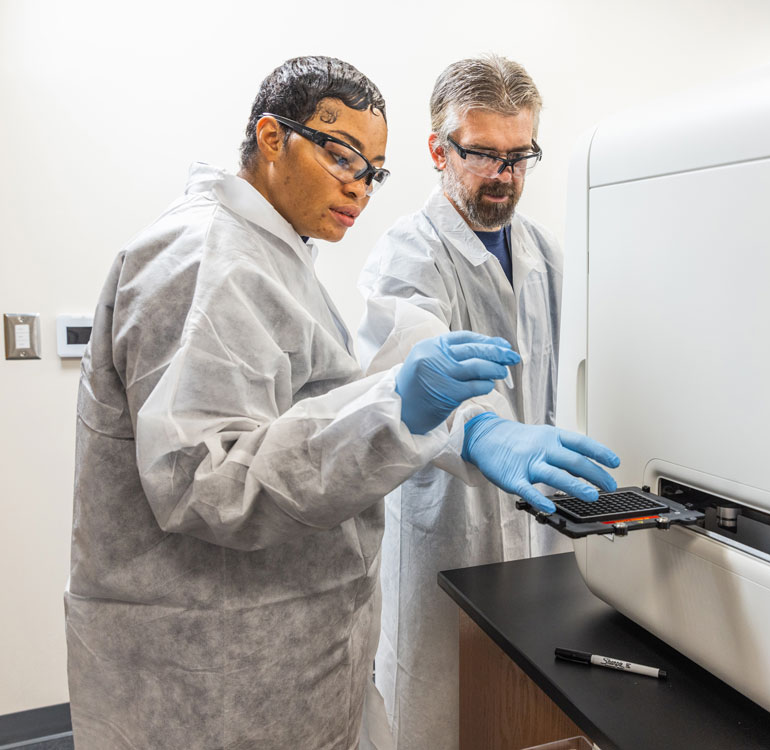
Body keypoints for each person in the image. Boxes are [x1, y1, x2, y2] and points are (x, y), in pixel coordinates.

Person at [65, 56, 618, 750]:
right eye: (342, 157)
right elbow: (205, 483)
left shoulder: (270, 256)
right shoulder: (207, 259)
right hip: (220, 660)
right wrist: (425, 414)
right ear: (272, 138)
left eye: (372, 170)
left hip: (284, 638)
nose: (358, 187)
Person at [357, 54, 580, 750]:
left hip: (537, 530)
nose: (504, 175)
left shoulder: (544, 253)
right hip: (444, 530)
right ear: (438, 149)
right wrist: (482, 434)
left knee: (525, 716)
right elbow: (406, 382)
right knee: (436, 716)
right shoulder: (406, 256)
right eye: (484, 154)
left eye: (520, 155)